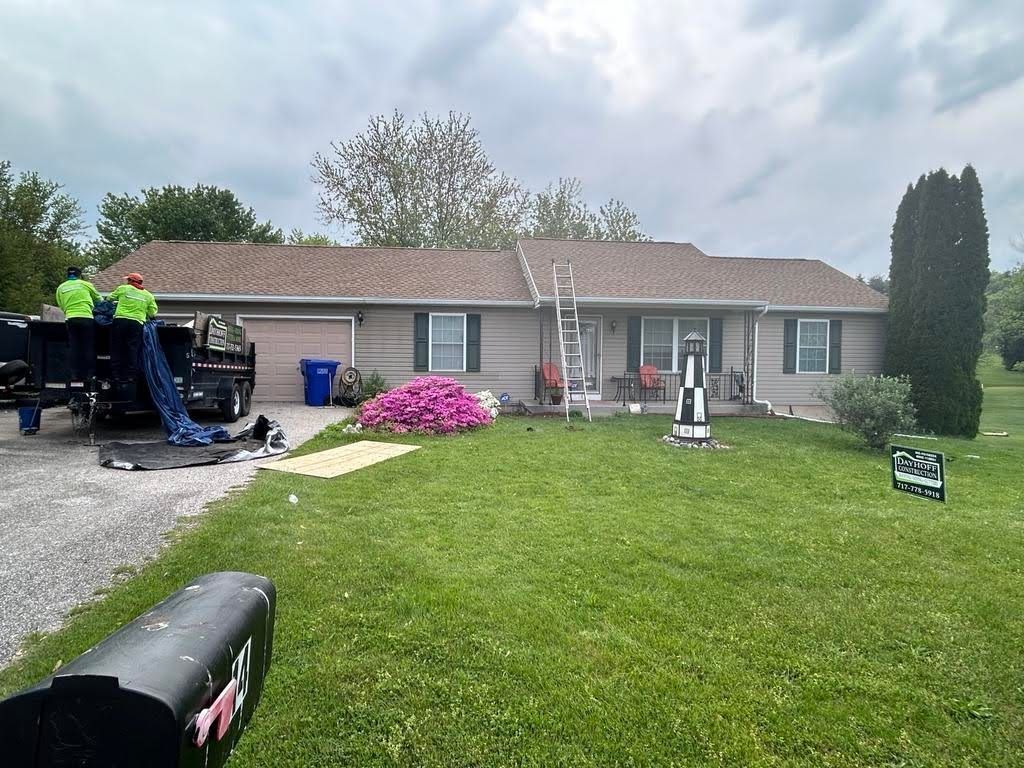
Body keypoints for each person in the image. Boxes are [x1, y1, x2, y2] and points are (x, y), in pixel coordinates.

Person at [107, 272, 158, 387]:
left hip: (120, 321)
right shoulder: (148, 295)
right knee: (132, 349)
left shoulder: (123, 289)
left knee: (117, 348)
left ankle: (116, 375)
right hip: (136, 323)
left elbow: (109, 298)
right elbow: (152, 313)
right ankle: (130, 376)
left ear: (131, 281)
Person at [54, 266, 102, 385]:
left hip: (71, 318)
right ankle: (89, 375)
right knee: (87, 346)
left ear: (68, 275)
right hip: (86, 318)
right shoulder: (85, 284)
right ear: (79, 275)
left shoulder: (61, 287)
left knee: (74, 347)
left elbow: (60, 304)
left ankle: (75, 375)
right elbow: (99, 300)